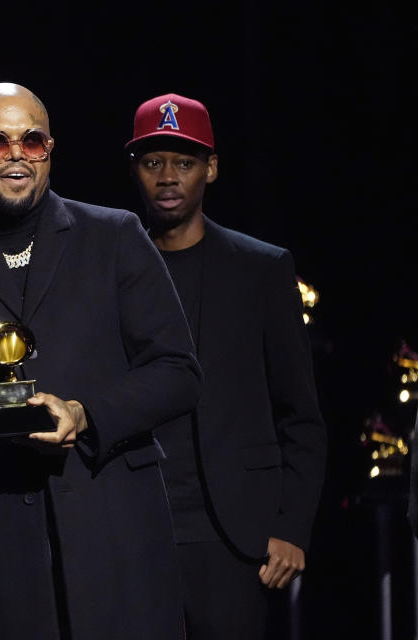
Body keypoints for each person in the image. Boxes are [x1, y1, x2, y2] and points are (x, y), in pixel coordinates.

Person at [0, 82, 201, 640]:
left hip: (113, 527)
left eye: (32, 140)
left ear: (50, 148)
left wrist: (85, 413)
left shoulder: (114, 235)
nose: (16, 154)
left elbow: (178, 371)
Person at [126, 93, 327, 639]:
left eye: (184, 163)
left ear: (210, 169)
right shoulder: (110, 270)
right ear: (135, 170)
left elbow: (301, 415)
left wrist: (292, 528)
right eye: (153, 162)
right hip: (135, 527)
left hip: (235, 538)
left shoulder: (261, 269)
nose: (168, 177)